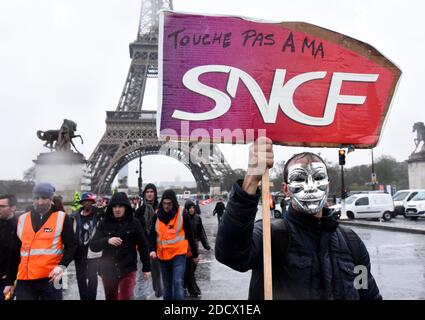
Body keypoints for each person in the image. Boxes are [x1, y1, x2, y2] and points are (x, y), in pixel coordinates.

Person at [215, 137, 382, 300]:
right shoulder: (270, 235)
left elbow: (366, 292)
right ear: (286, 189)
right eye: (299, 179)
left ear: (328, 185)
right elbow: (231, 253)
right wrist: (251, 180)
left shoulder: (352, 242)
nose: (310, 187)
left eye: (318, 178)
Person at [5, 183, 76, 300]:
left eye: (44, 198)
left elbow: (72, 246)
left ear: (51, 199)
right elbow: (14, 253)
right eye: (36, 198)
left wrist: (62, 266)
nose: (40, 202)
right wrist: (9, 281)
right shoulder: (22, 219)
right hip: (25, 279)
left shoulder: (62, 218)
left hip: (52, 278)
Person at [90, 192, 151, 300]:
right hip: (108, 269)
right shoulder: (104, 223)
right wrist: (107, 240)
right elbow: (93, 246)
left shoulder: (134, 223)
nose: (117, 209)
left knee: (125, 297)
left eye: (120, 206)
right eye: (114, 206)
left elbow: (143, 245)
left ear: (126, 207)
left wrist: (146, 268)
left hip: (128, 268)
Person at [149, 189, 199, 300]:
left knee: (177, 282)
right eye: (164, 203)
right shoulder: (156, 215)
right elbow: (152, 235)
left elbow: (190, 235)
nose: (166, 206)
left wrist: (195, 255)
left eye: (169, 203)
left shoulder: (182, 214)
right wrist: (152, 250)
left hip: (178, 254)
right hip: (162, 256)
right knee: (166, 285)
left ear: (174, 203)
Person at [70, 192, 103, 300]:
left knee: (93, 277)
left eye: (90, 201)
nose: (88, 203)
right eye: (86, 201)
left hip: (92, 252)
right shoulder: (74, 216)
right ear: (82, 203)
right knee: (81, 278)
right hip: (79, 252)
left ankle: (92, 298)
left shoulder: (97, 215)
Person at [134, 183, 163, 298]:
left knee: (158, 276)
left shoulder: (162, 209)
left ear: (155, 193)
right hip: (143, 247)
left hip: (158, 247)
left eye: (152, 192)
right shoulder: (139, 211)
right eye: (147, 192)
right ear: (144, 194)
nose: (150, 194)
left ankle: (159, 296)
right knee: (142, 276)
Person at [184, 200, 211, 298]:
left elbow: (201, 232)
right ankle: (187, 286)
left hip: (195, 244)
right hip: (185, 245)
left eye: (193, 207)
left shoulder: (197, 218)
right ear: (186, 209)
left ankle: (187, 284)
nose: (191, 209)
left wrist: (206, 245)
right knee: (188, 267)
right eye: (189, 208)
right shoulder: (183, 218)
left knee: (194, 266)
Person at [0, 194, 18, 300]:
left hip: (10, 279)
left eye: (1, 206)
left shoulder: (20, 226)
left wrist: (11, 280)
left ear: (13, 208)